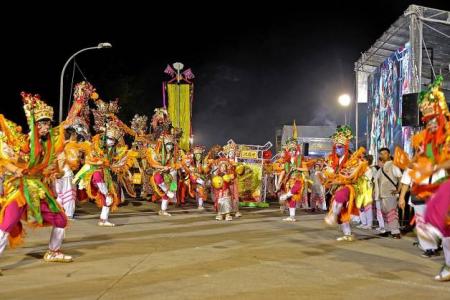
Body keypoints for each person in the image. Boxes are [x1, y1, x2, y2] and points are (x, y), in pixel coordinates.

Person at [374, 147, 402, 239]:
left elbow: (400, 178)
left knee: (392, 212)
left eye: (384, 153)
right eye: (381, 154)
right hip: (382, 195)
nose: (382, 155)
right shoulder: (381, 167)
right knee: (385, 213)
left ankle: (396, 232)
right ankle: (388, 230)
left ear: (389, 154)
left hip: (390, 194)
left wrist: (398, 190)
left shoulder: (393, 165)